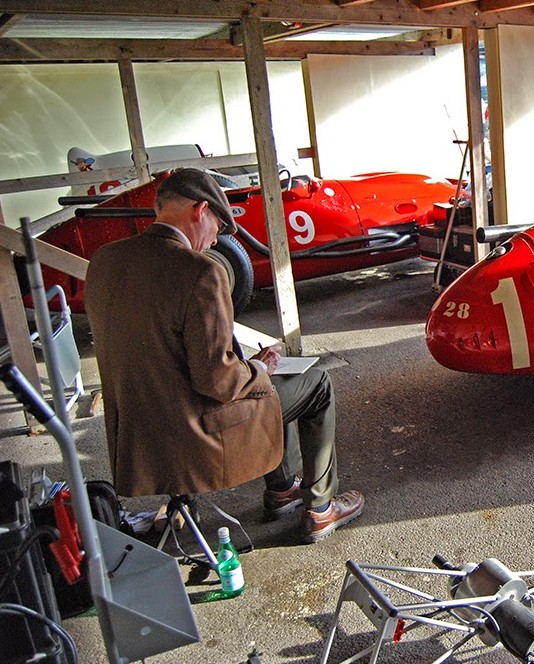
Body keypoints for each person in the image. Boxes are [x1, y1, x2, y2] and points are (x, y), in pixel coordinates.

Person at [85, 168, 364, 544]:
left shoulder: (105, 261)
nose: (216, 237)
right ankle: (321, 508)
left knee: (268, 384)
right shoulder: (200, 271)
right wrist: (257, 368)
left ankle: (282, 489)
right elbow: (217, 380)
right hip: (193, 432)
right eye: (218, 223)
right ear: (200, 210)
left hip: (138, 437)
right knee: (315, 385)